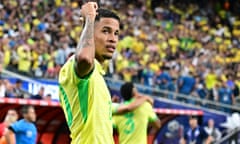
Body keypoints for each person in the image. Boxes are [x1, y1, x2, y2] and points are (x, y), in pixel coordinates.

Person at [58, 2, 121, 144]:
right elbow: (85, 58)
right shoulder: (74, 66)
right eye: (105, 31)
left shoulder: (98, 76)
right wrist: (89, 19)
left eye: (116, 33)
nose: (113, 39)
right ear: (91, 31)